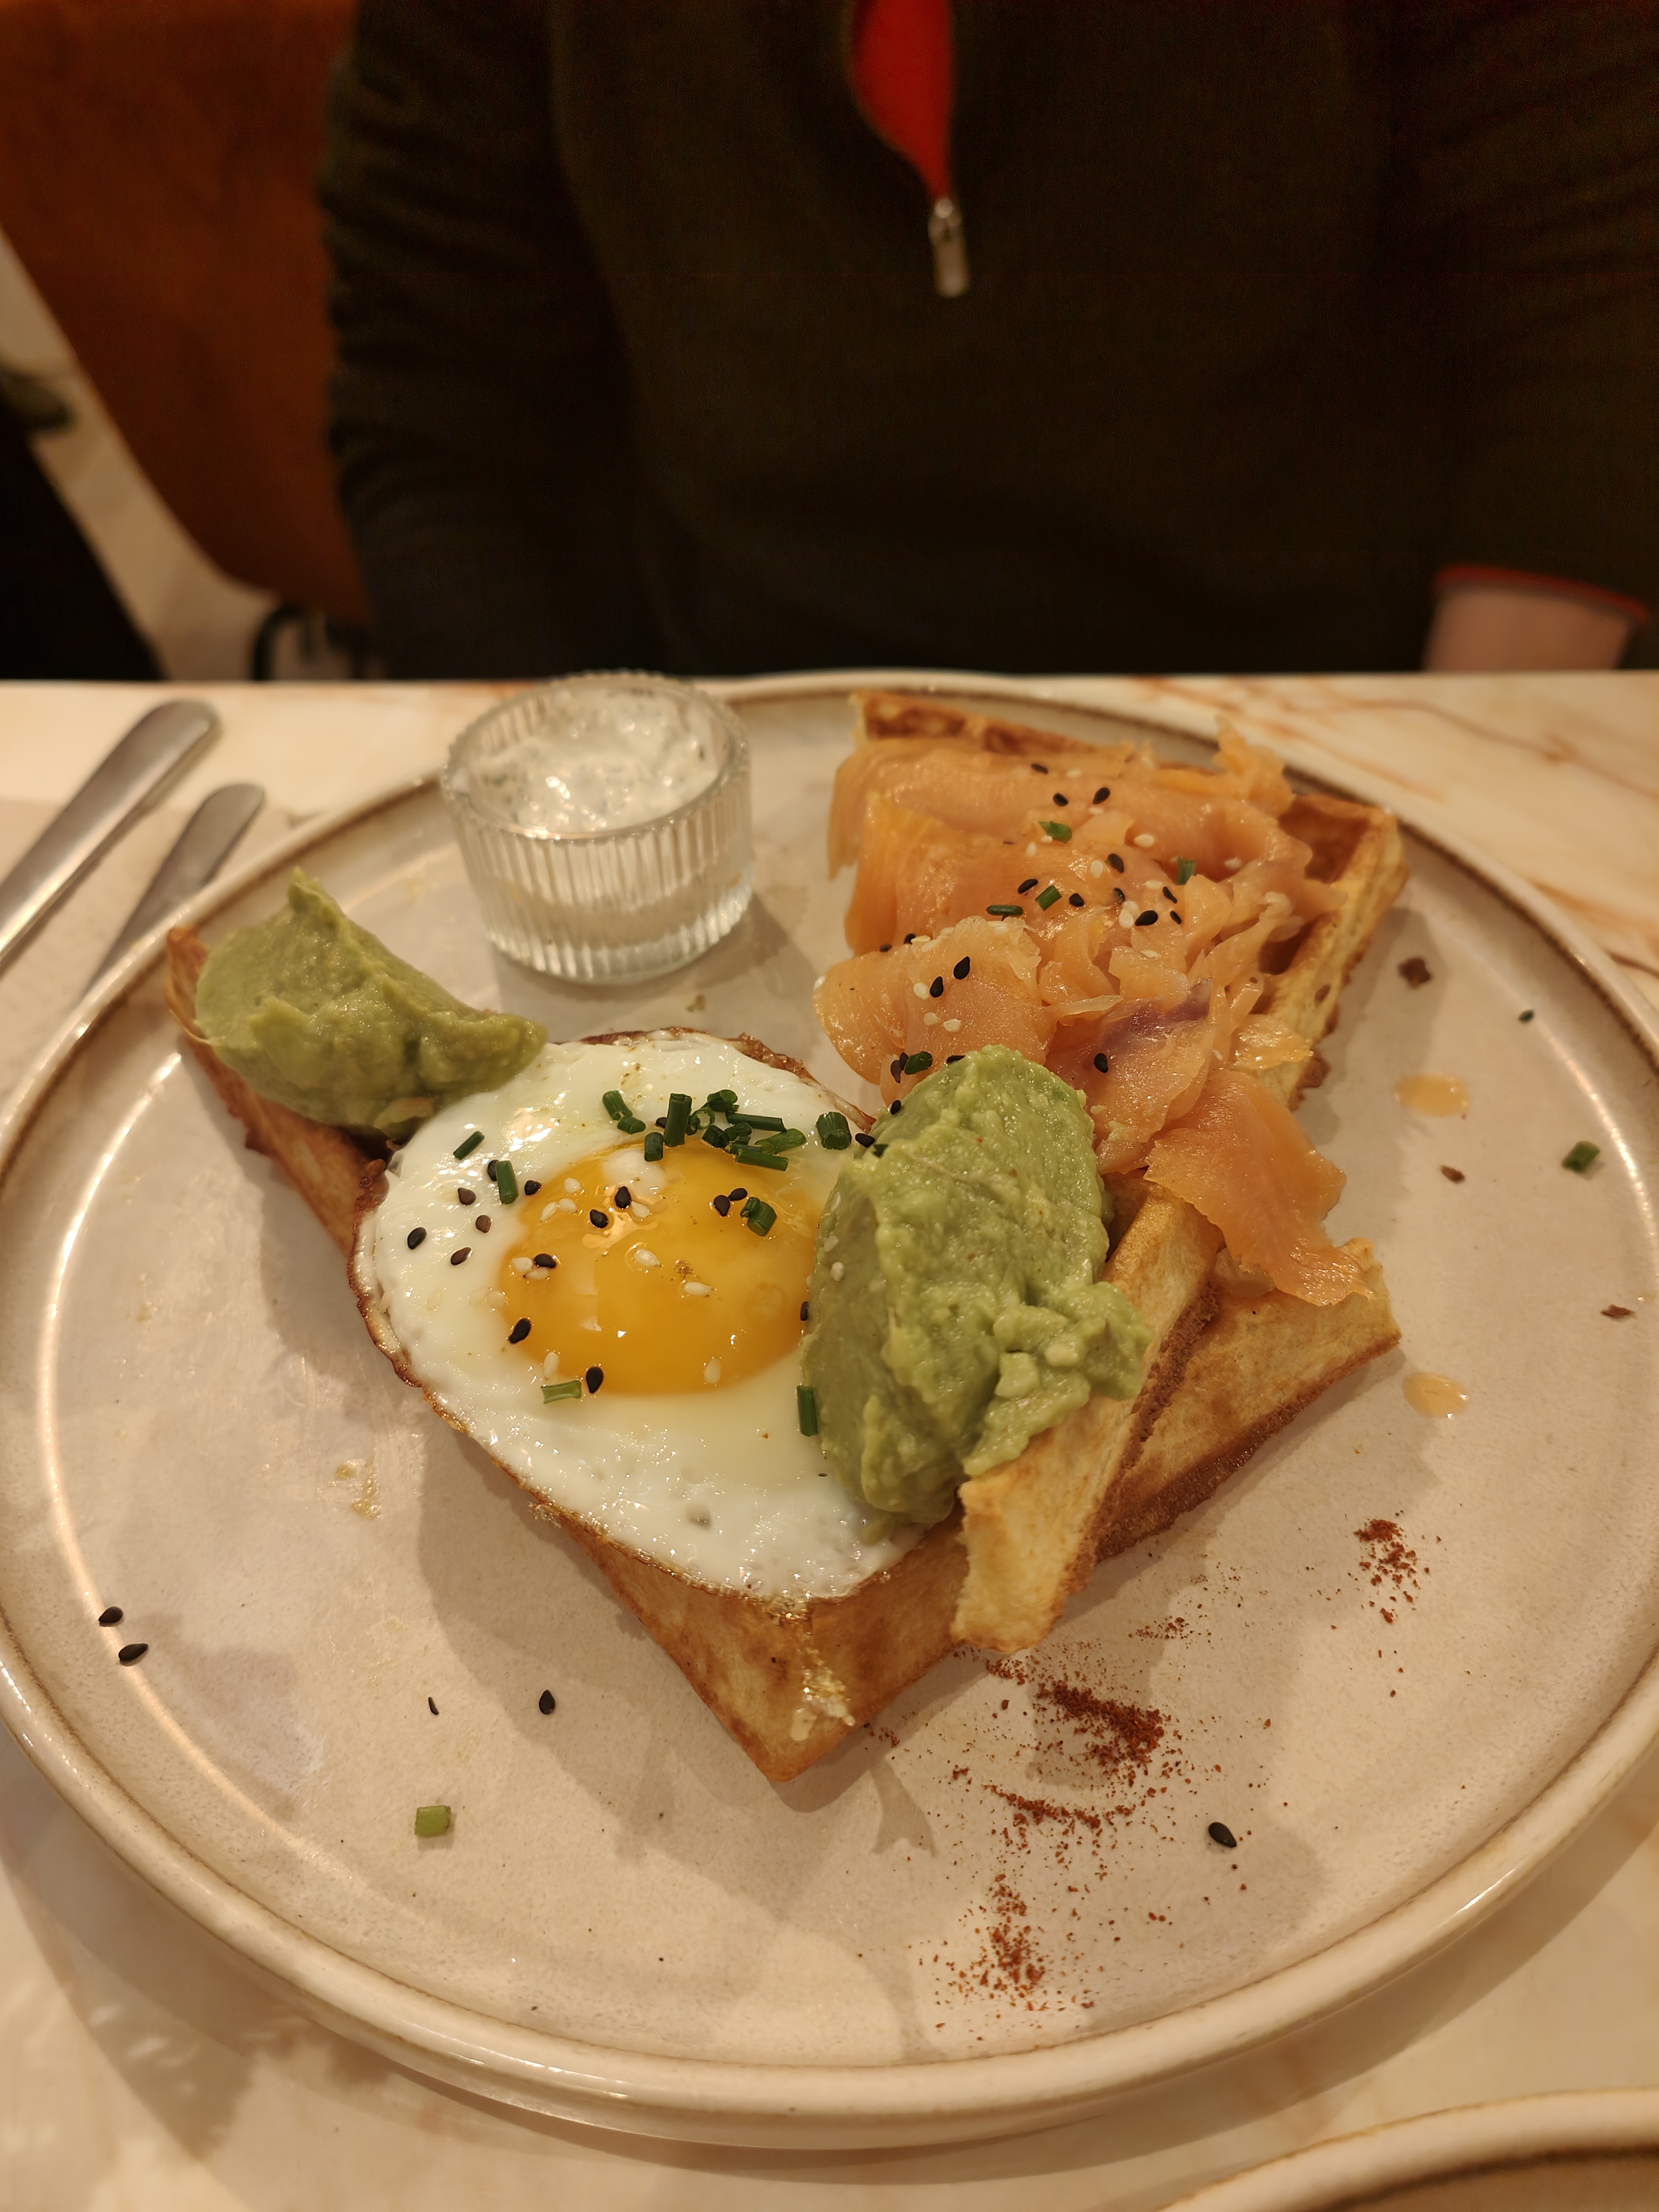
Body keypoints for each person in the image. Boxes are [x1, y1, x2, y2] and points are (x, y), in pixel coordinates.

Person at [319, 1, 1658, 682]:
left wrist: (1424, 803)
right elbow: (436, 398)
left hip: (1337, 698)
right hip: (743, 720)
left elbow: (1600, 299)